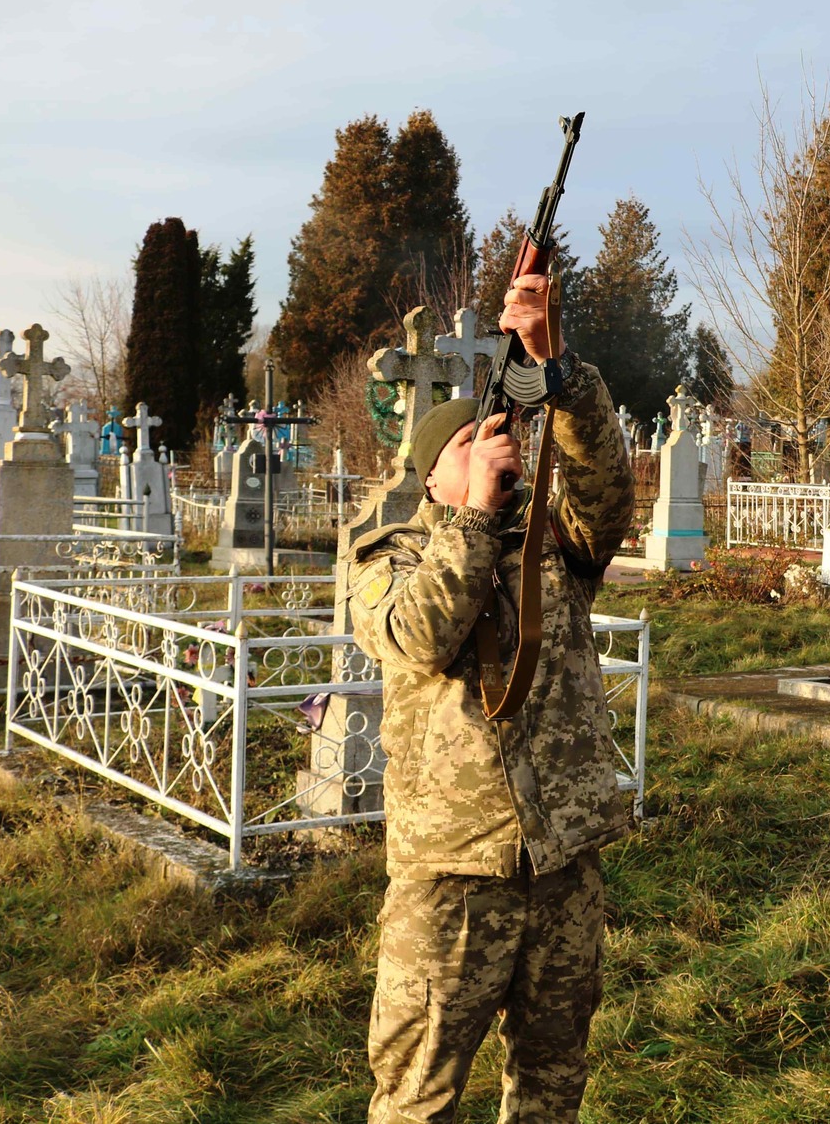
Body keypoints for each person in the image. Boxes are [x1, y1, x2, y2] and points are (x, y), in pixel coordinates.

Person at [348, 273, 636, 1123]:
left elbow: (608, 490)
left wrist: (562, 372)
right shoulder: (385, 555)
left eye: (498, 436)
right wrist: (474, 517)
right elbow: (422, 633)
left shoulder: (553, 542)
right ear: (432, 477)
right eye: (470, 443)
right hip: (452, 877)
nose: (496, 447)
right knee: (418, 1094)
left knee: (553, 1082)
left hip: (560, 864)